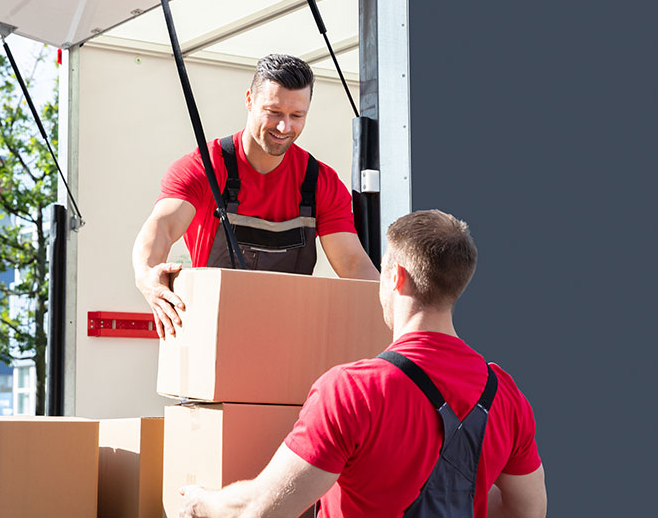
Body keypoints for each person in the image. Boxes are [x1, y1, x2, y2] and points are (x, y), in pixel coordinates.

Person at [178, 210, 547, 518]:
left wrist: (201, 503)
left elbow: (261, 510)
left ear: (395, 277)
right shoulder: (504, 394)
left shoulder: (353, 391)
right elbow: (527, 511)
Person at [133, 54, 379, 337]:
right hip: (213, 334)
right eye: (273, 112)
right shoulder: (205, 167)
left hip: (290, 338)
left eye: (297, 116)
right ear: (249, 100)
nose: (284, 127)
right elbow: (163, 225)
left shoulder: (321, 181)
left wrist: (398, 313)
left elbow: (351, 262)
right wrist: (147, 275)